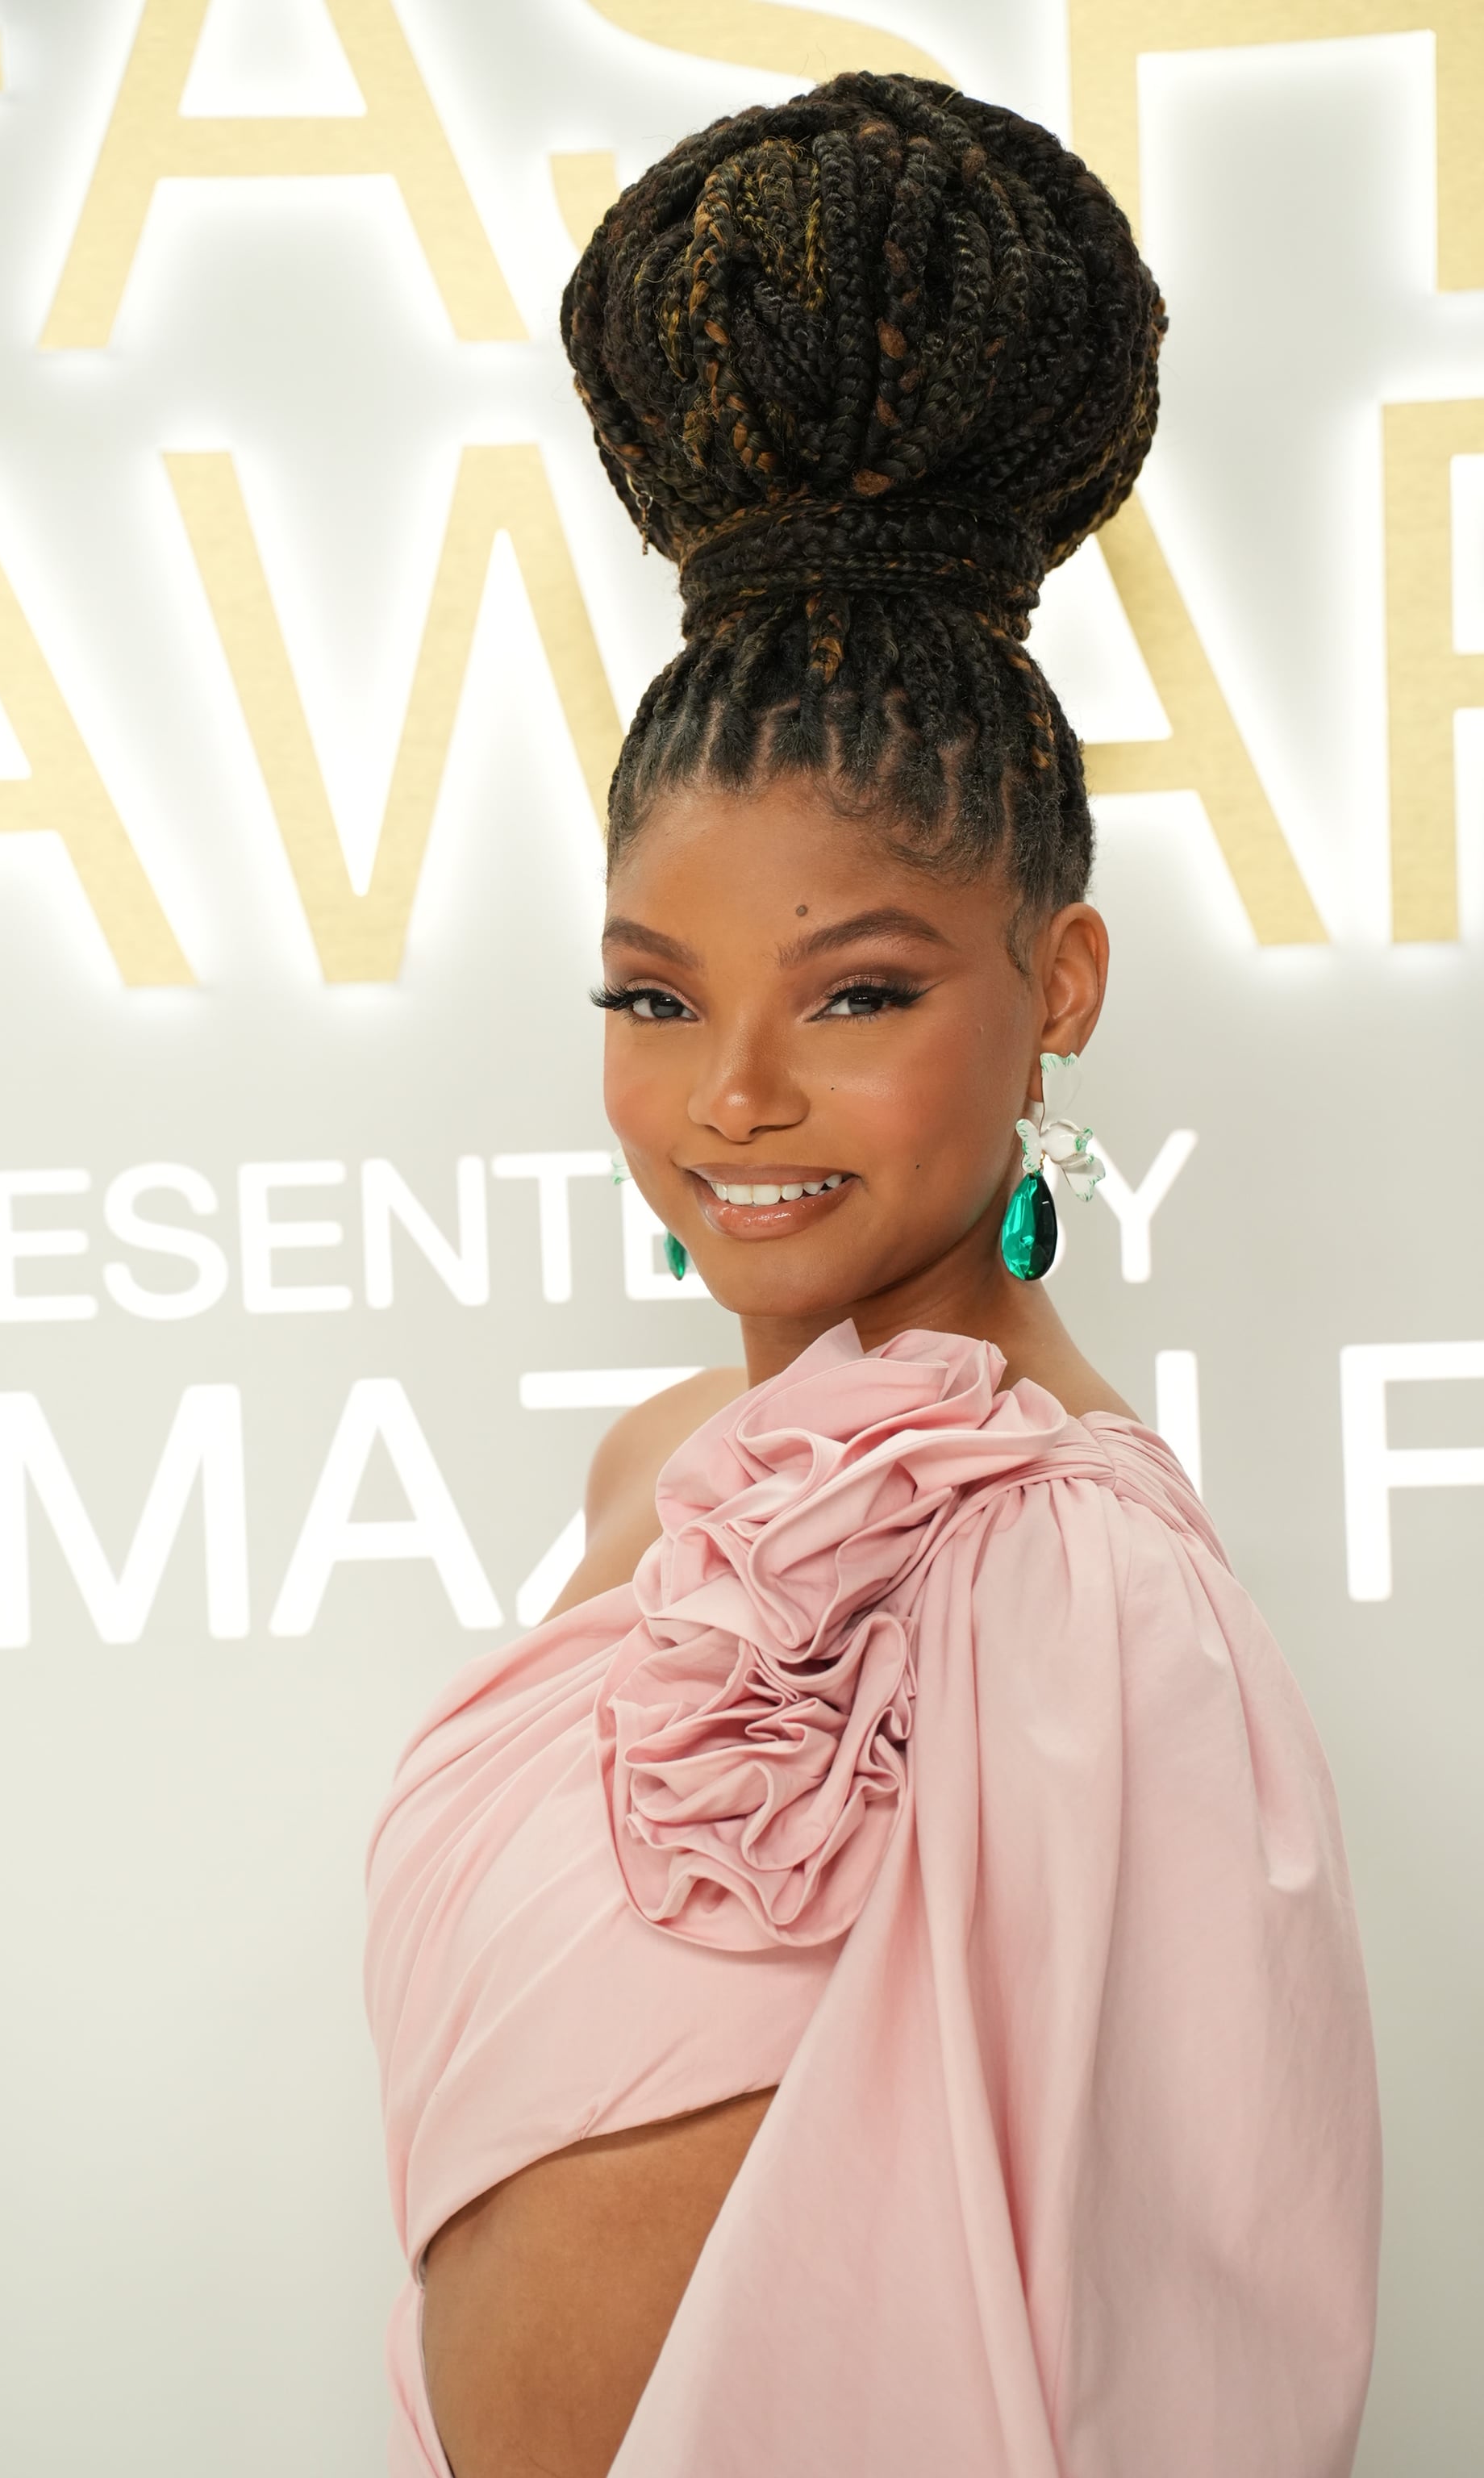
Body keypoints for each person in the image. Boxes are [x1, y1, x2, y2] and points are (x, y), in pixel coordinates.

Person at [364, 70, 1380, 2478]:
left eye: (854, 992)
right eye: (649, 996)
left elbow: (1176, 2334)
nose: (729, 1097)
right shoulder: (650, 1467)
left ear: (1062, 982)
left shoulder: (1067, 1558)